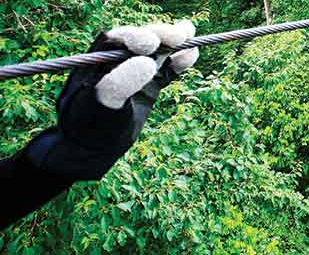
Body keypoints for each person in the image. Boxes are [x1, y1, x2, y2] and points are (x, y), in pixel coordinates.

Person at [0, 21, 199, 230]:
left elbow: (19, 179)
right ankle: (105, 103)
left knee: (52, 161)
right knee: (57, 159)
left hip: (53, 160)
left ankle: (110, 96)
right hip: (62, 157)